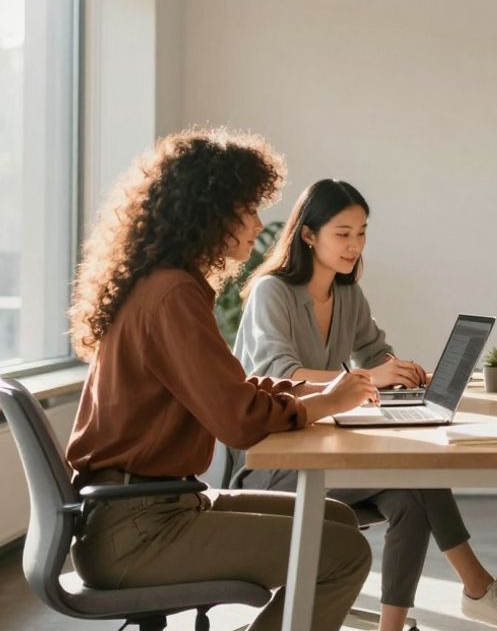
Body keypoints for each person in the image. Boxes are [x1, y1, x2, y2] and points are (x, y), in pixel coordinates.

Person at [66, 129, 374, 631]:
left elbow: (234, 388)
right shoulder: (172, 295)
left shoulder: (163, 284)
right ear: (209, 212)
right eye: (247, 209)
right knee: (342, 551)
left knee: (335, 519)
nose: (258, 224)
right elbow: (237, 420)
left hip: (143, 508)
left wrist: (318, 392)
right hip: (139, 528)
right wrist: (322, 404)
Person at [233, 179, 497, 630]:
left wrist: (408, 374)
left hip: (323, 449)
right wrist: (369, 378)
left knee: (410, 495)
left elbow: (374, 354)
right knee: (415, 474)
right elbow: (283, 375)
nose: (354, 245)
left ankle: (393, 626)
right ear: (307, 235)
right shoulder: (272, 292)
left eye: (361, 232)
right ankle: (477, 585)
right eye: (343, 233)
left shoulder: (348, 294)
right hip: (272, 461)